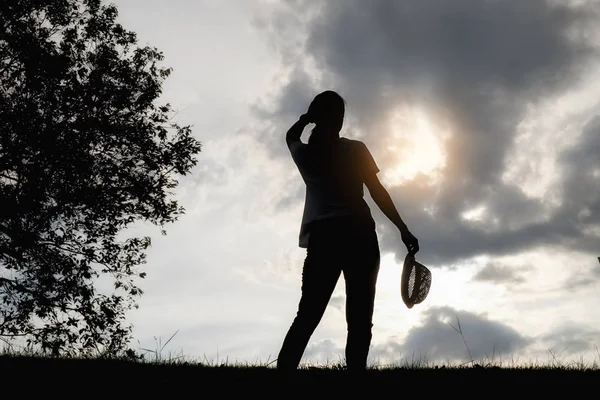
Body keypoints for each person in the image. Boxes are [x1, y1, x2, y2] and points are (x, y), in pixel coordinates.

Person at [276, 90, 420, 372]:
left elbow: (290, 136)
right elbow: (377, 192)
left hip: (324, 239)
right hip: (359, 236)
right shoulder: (356, 150)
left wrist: (306, 118)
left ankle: (283, 378)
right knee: (360, 318)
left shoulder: (305, 154)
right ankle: (355, 380)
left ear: (316, 118)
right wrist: (403, 228)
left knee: (308, 314)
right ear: (339, 120)